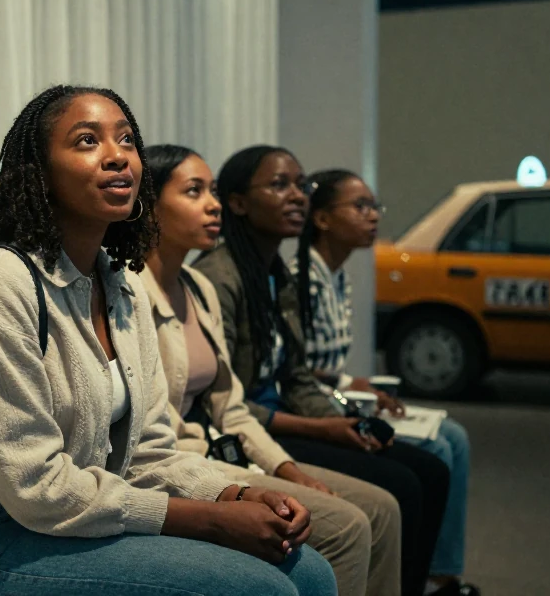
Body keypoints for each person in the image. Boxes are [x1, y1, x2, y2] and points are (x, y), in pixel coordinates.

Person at [0, 87, 337, 596]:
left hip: (80, 513)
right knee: (260, 589)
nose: (117, 156)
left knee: (310, 572)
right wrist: (209, 520)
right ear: (40, 173)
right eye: (87, 141)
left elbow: (150, 451)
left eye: (127, 139)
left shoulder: (121, 285)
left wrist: (234, 492)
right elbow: (35, 490)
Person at [137, 144, 402, 596]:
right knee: (348, 526)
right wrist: (241, 486)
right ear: (149, 209)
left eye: (214, 192)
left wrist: (288, 469)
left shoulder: (198, 287)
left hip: (222, 449)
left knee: (383, 508)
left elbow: (234, 406)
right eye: (194, 191)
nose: (213, 205)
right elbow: (153, 437)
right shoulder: (131, 291)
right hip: (182, 465)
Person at [191, 144, 450, 596]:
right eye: (279, 185)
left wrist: (338, 420)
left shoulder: (276, 274)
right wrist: (324, 429)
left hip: (281, 417)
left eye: (302, 185)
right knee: (402, 485)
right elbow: (230, 400)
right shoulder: (219, 277)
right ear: (237, 203)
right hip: (256, 427)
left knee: (428, 468)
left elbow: (295, 376)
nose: (297, 197)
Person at [291, 169, 477, 596]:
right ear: (321, 219)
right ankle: (424, 577)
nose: (373, 217)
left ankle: (441, 573)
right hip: (312, 405)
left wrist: (353, 382)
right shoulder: (302, 279)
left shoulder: (338, 275)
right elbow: (294, 371)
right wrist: (348, 392)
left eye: (375, 207)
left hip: (333, 393)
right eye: (360, 207)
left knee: (455, 437)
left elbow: (317, 364)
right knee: (436, 448)